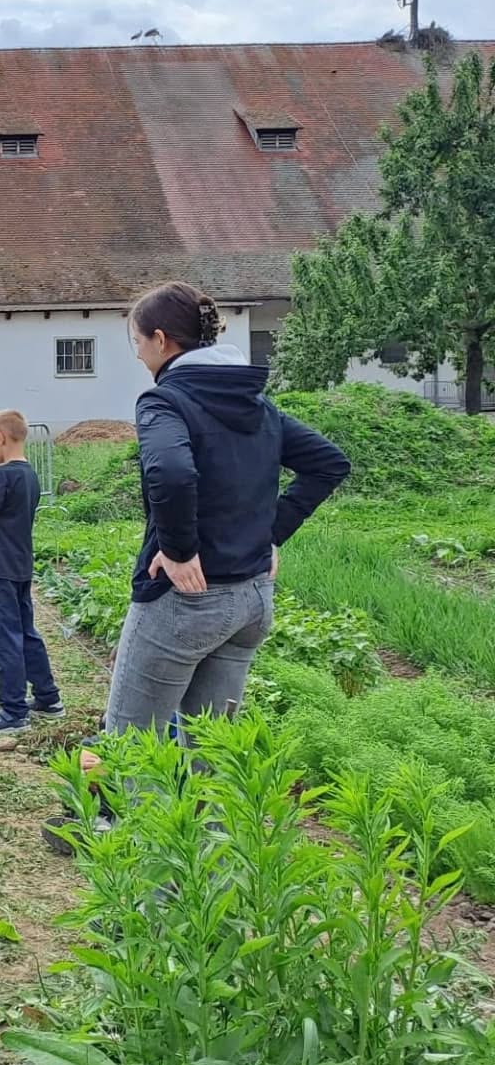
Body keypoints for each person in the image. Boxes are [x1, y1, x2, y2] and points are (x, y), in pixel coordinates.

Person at [105, 281, 350, 741]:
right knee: (213, 751)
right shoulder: (255, 403)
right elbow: (329, 463)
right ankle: (212, 818)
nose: (138, 355)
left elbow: (172, 471)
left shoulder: (164, 400)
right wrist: (270, 535)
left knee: (133, 747)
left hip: (186, 603)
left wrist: (178, 550)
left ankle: (129, 817)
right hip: (252, 600)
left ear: (160, 340)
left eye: (137, 343)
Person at [0, 410, 63, 733]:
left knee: (3, 636)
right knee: (27, 631)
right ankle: (48, 698)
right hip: (19, 563)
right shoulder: (31, 475)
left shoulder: (3, 476)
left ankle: (13, 711)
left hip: (0, 568)